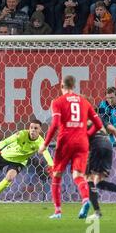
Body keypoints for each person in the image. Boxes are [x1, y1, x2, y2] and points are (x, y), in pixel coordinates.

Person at [38, 75, 103, 219]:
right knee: (78, 176)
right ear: (74, 86)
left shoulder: (57, 102)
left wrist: (45, 144)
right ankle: (85, 200)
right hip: (82, 142)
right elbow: (98, 125)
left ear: (62, 86)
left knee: (56, 175)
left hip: (65, 141)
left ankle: (58, 212)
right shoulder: (84, 101)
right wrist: (86, 134)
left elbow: (55, 124)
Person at [86, 115, 116, 219]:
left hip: (95, 145)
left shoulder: (79, 119)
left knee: (89, 179)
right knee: (98, 182)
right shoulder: (99, 118)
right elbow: (115, 130)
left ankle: (97, 212)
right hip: (107, 145)